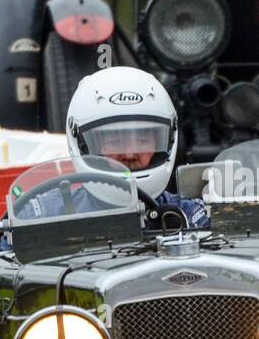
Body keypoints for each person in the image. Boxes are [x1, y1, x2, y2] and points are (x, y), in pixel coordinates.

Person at [60, 66, 209, 228]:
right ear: (81, 144)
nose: (129, 154)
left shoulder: (190, 216)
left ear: (168, 139)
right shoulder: (48, 214)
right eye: (115, 142)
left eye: (141, 140)